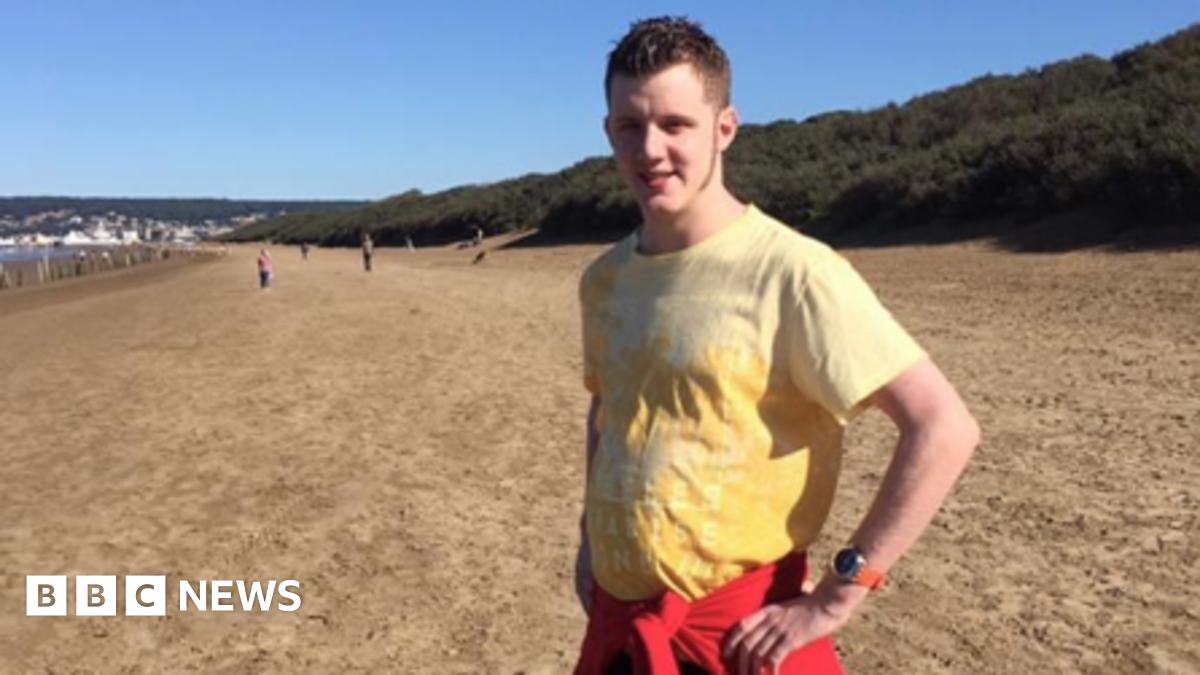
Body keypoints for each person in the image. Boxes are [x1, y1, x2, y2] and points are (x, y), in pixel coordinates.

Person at [575, 17, 980, 675]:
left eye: (676, 124)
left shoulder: (792, 272)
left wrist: (836, 594)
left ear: (724, 128)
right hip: (620, 630)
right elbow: (609, 414)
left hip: (738, 639)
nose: (649, 148)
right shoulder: (605, 279)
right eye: (629, 126)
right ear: (609, 132)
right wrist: (589, 540)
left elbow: (944, 427)